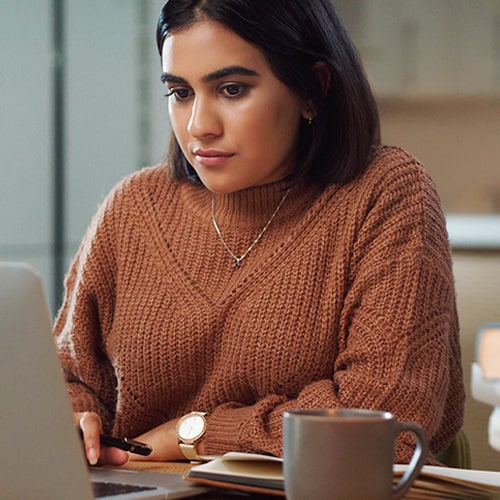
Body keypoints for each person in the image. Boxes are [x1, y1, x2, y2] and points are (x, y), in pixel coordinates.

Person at [54, 0, 465, 467]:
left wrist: (196, 434)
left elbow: (384, 428)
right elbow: (68, 379)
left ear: (312, 89)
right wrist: (72, 419)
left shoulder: (384, 191)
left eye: (231, 90)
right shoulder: (132, 206)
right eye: (180, 93)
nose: (198, 127)